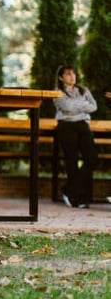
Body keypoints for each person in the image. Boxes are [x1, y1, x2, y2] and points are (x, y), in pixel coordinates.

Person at [53, 65, 98, 209]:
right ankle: (76, 199)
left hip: (82, 126)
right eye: (67, 74)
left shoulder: (83, 90)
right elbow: (65, 107)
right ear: (61, 77)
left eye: (73, 73)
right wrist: (82, 105)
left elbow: (94, 106)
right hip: (66, 127)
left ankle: (68, 189)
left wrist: (74, 107)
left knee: (92, 158)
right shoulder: (57, 92)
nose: (72, 76)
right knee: (71, 161)